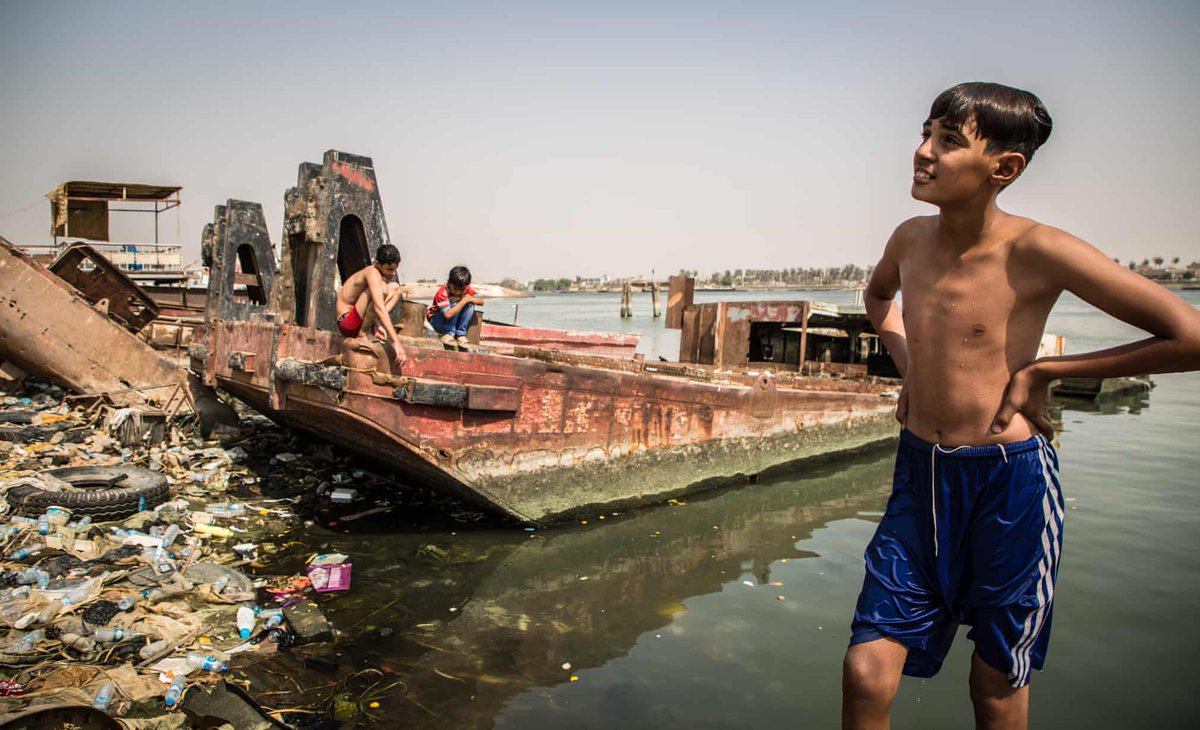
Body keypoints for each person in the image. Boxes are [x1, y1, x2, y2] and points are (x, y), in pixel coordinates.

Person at [843, 82, 1200, 729]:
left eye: (948, 141)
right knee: (866, 671)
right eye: (925, 134)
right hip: (919, 475)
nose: (923, 152)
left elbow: (1191, 336)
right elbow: (878, 298)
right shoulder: (908, 239)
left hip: (1008, 484)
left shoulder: (1038, 249)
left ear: (1004, 168)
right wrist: (910, 364)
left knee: (996, 679)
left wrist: (1046, 370)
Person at [335, 243, 406, 365]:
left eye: (395, 269)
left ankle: (370, 327)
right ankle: (363, 333)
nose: (393, 273)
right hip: (347, 322)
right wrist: (396, 342)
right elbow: (378, 307)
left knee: (395, 289)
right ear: (377, 264)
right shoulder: (372, 272)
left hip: (358, 316)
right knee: (382, 290)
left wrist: (377, 324)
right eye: (389, 269)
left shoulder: (379, 276)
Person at [428, 265, 483, 351]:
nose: (458, 292)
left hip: (452, 321)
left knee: (470, 305)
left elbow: (481, 301)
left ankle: (460, 334)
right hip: (437, 321)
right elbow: (447, 315)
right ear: (449, 282)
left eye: (461, 290)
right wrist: (463, 300)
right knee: (455, 303)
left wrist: (466, 299)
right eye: (455, 289)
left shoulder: (465, 288)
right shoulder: (442, 293)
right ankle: (448, 333)